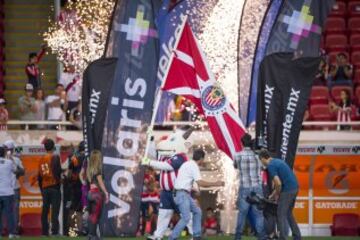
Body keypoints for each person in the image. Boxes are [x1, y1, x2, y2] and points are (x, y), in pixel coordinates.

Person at [169, 149, 224, 240]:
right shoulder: (194, 166)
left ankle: (197, 236)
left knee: (197, 211)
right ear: (201, 158)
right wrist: (216, 183)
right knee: (186, 217)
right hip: (181, 194)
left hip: (182, 193)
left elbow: (185, 179)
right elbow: (200, 183)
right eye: (204, 159)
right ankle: (172, 237)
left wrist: (193, 188)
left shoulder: (187, 163)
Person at [258, 150, 301, 240]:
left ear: (262, 159)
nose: (261, 163)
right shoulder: (277, 161)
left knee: (280, 214)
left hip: (288, 190)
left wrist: (277, 193)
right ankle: (297, 237)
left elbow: (278, 183)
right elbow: (280, 183)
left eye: (260, 161)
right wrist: (272, 196)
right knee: (288, 213)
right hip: (295, 188)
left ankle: (282, 238)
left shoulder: (270, 166)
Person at [233, 134, 266, 240]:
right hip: (257, 187)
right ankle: (261, 236)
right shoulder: (258, 156)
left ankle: (238, 237)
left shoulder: (237, 155)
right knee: (258, 214)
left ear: (242, 143)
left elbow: (235, 166)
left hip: (244, 187)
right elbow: (264, 168)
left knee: (242, 213)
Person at [37, 138, 62, 236]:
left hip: (45, 187)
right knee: (55, 211)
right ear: (53, 147)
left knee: (45, 211)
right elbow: (57, 171)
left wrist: (41, 189)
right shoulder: (55, 157)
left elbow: (39, 176)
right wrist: (58, 182)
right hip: (54, 186)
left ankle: (44, 232)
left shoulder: (41, 159)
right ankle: (55, 232)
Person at [86, 150, 109, 240]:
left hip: (90, 193)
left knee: (92, 214)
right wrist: (106, 193)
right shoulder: (98, 170)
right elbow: (101, 183)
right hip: (97, 194)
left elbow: (86, 181)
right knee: (96, 215)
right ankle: (92, 235)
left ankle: (92, 234)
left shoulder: (89, 170)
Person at [4, 140, 25, 235]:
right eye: (6, 149)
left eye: (8, 149)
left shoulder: (16, 160)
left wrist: (16, 168)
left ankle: (15, 231)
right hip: (4, 188)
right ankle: (5, 230)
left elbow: (23, 172)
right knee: (5, 209)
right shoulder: (1, 160)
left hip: (15, 188)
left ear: (11, 150)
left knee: (15, 210)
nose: (8, 151)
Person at [0, 146, 17, 238]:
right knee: (9, 214)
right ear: (4, 153)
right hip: (8, 192)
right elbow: (16, 170)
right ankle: (11, 233)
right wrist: (11, 158)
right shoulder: (9, 162)